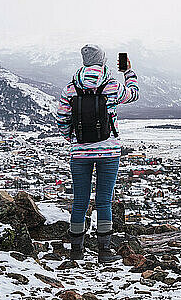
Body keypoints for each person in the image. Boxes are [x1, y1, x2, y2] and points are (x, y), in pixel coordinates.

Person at [56, 44, 139, 261]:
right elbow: (133, 95)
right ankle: (104, 251)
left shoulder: (70, 88)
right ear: (102, 60)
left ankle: (76, 251)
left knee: (80, 201)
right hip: (109, 151)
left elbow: (62, 119)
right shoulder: (112, 85)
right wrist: (128, 72)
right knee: (104, 201)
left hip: (80, 154)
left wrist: (74, 140)